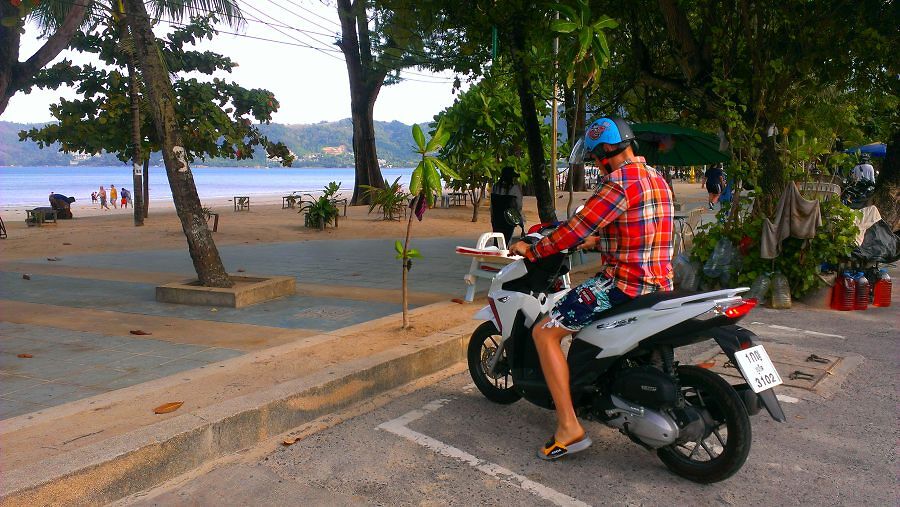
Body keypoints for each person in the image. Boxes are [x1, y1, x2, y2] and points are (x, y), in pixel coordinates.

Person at [509, 117, 674, 460]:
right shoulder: (657, 180)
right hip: (661, 285)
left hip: (622, 285)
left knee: (545, 332)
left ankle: (569, 427)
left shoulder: (617, 184)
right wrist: (598, 242)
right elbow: (638, 235)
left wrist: (534, 249)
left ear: (602, 153)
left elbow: (573, 230)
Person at [490, 165, 524, 245]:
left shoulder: (495, 187)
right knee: (506, 241)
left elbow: (492, 204)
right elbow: (519, 206)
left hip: (496, 218)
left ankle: (497, 254)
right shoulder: (515, 188)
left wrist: (492, 217)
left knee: (497, 241)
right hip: (508, 219)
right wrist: (519, 220)